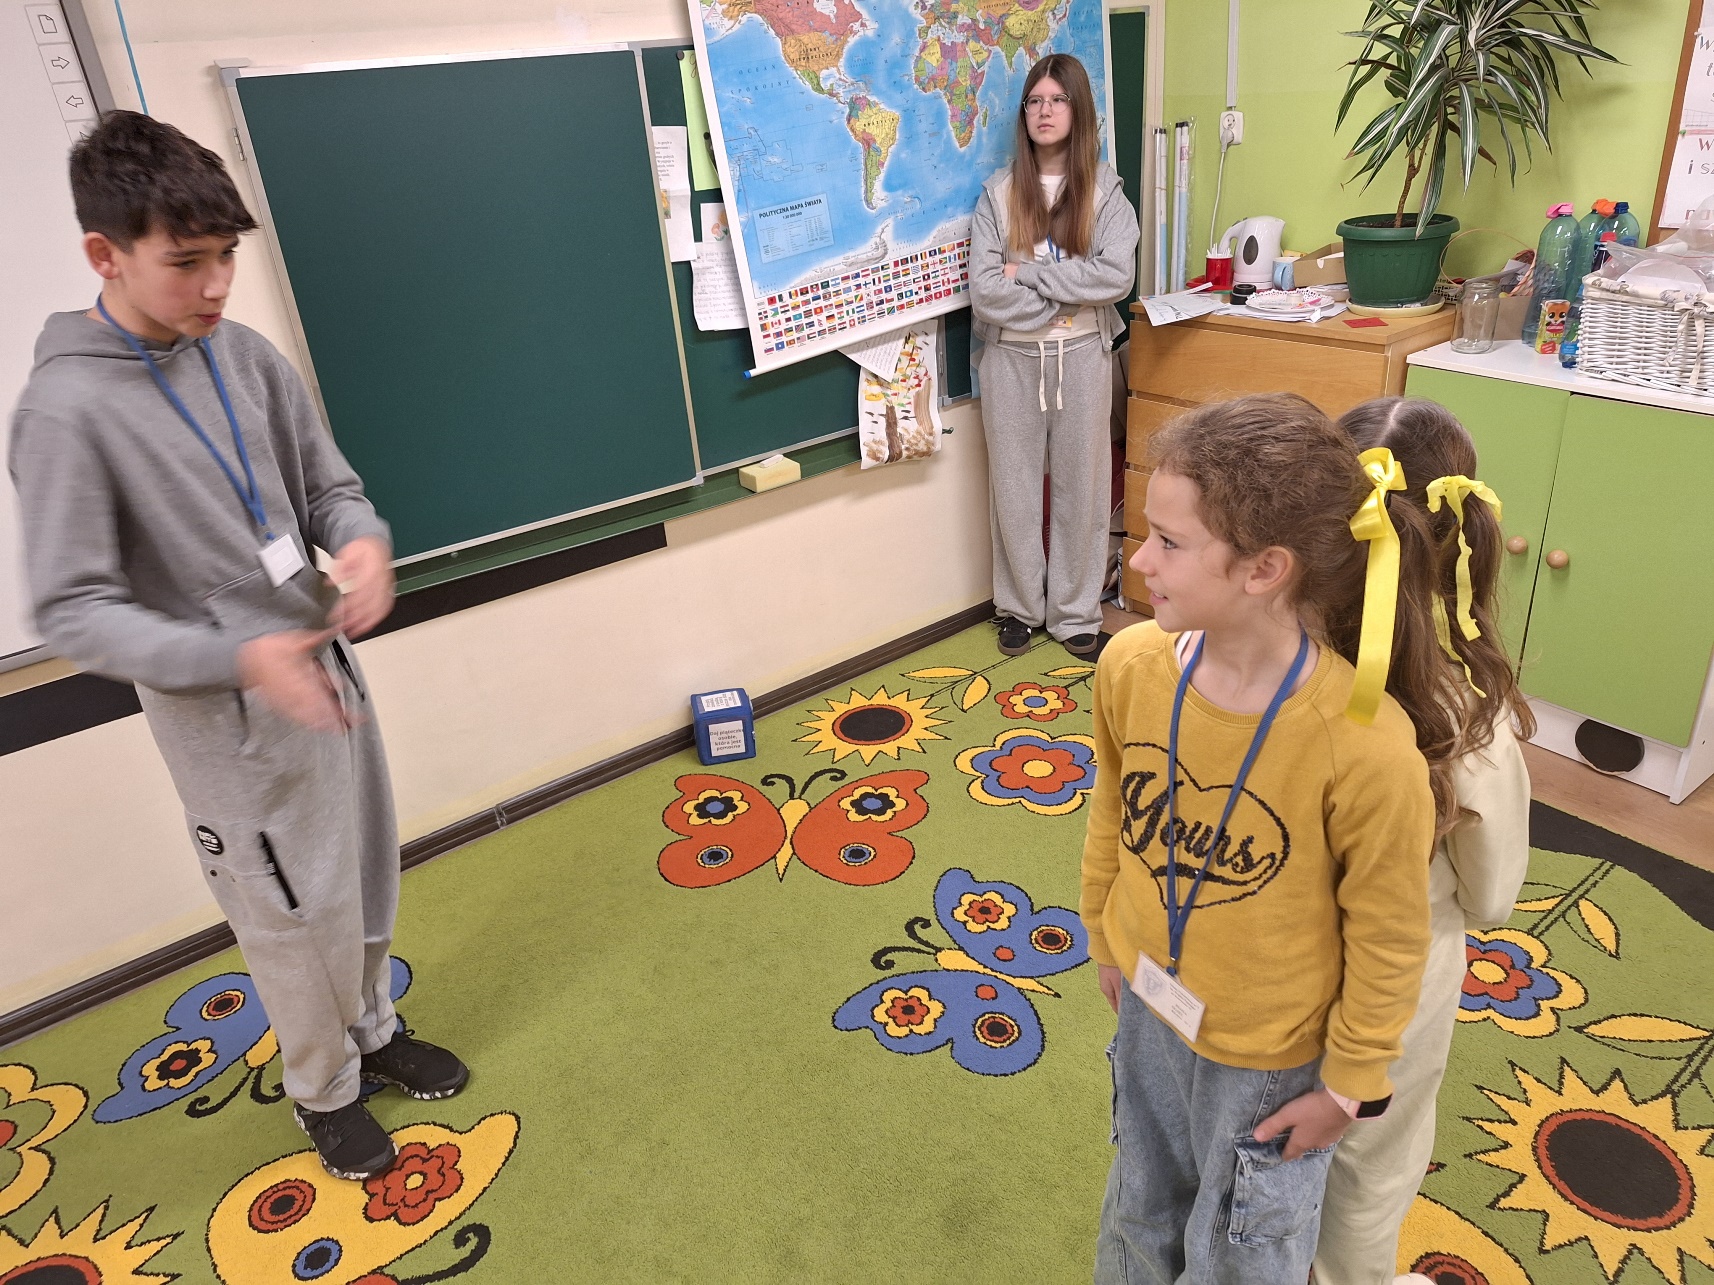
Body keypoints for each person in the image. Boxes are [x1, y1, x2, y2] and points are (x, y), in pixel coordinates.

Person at [7, 111, 466, 1182]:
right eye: (186, 263)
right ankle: (324, 1090)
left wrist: (362, 541)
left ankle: (374, 1031)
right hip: (228, 723)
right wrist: (241, 659)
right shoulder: (65, 413)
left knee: (361, 873)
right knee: (287, 918)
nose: (215, 286)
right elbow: (73, 611)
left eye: (225, 257)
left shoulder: (246, 356)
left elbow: (331, 489)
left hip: (325, 673)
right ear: (105, 254)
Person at [1080, 393, 1451, 1284]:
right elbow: (1111, 809)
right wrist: (1104, 931)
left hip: (1273, 1061)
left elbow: (1390, 936)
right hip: (1150, 1004)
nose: (1140, 560)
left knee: (1242, 1251)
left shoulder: (1364, 747)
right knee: (1138, 1209)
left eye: (1170, 542)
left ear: (1265, 568)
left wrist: (1347, 1087)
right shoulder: (1130, 666)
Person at [1315, 398, 1533, 1285]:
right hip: (1398, 979)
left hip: (1259, 953)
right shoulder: (1464, 713)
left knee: (1249, 1149)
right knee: (1369, 1172)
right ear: (1461, 534)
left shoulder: (1262, 659)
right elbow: (1492, 895)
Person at [970, 53, 1138, 661]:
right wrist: (1064, 292)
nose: (1045, 112)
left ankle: (1074, 614)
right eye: (1035, 101)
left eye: (1057, 100)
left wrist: (1029, 273)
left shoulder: (1106, 193)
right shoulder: (998, 195)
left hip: (1083, 358)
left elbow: (1114, 277)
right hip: (1011, 361)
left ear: (1078, 109)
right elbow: (986, 290)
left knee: (1082, 491)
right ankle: (1018, 608)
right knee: (1014, 490)